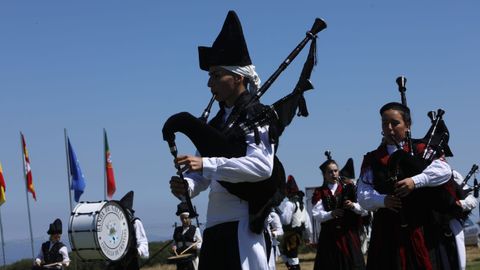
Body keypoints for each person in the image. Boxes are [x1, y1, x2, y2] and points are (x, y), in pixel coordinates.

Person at [169, 10, 280, 270]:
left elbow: (262, 167)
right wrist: (187, 186)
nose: (210, 83)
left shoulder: (257, 114)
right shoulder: (216, 123)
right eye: (210, 76)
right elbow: (202, 176)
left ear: (238, 77)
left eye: (217, 75)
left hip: (243, 227)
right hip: (215, 226)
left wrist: (206, 164)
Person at [356, 102, 456, 270]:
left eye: (395, 123)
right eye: (384, 123)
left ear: (407, 125)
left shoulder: (421, 148)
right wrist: (383, 200)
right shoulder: (373, 158)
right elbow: (363, 194)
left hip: (421, 226)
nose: (389, 128)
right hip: (386, 230)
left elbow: (444, 171)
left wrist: (415, 181)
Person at [311, 153, 366, 269]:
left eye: (335, 171)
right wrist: (332, 214)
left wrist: (353, 206)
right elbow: (317, 214)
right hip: (329, 236)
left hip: (348, 235)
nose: (334, 174)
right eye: (330, 172)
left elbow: (364, 209)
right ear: (324, 175)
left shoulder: (349, 187)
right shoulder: (320, 192)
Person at [107, 191, 149, 270]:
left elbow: (143, 243)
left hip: (131, 263)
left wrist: (137, 251)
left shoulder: (135, 222)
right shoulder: (114, 224)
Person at [279, 175, 312, 270]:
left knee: (291, 257)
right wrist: (307, 237)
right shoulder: (301, 204)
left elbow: (285, 220)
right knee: (287, 255)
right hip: (298, 234)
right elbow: (307, 224)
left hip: (291, 235)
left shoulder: (290, 204)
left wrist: (279, 215)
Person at [450, 170, 478, 270]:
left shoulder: (453, 174)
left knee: (459, 265)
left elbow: (472, 201)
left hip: (452, 227)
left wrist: (458, 204)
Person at [172, 202, 203, 270]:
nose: (184, 220)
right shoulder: (177, 230)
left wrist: (196, 247)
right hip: (180, 258)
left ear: (190, 218)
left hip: (192, 258)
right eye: (182, 218)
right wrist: (174, 246)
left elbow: (200, 242)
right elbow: (175, 241)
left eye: (186, 218)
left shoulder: (195, 229)